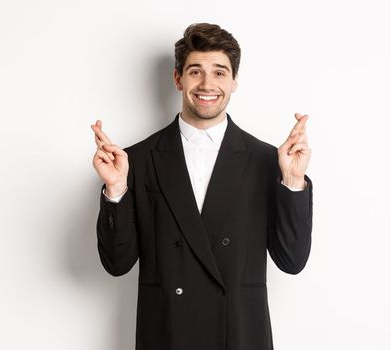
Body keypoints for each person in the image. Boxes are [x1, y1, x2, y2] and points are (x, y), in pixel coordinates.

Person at [90, 23, 313, 350]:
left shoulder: (267, 161)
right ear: (178, 78)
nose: (208, 84)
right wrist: (116, 191)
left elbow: (292, 262)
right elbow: (116, 264)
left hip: (239, 337)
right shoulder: (136, 160)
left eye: (220, 73)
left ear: (235, 81)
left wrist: (293, 182)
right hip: (166, 336)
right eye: (196, 71)